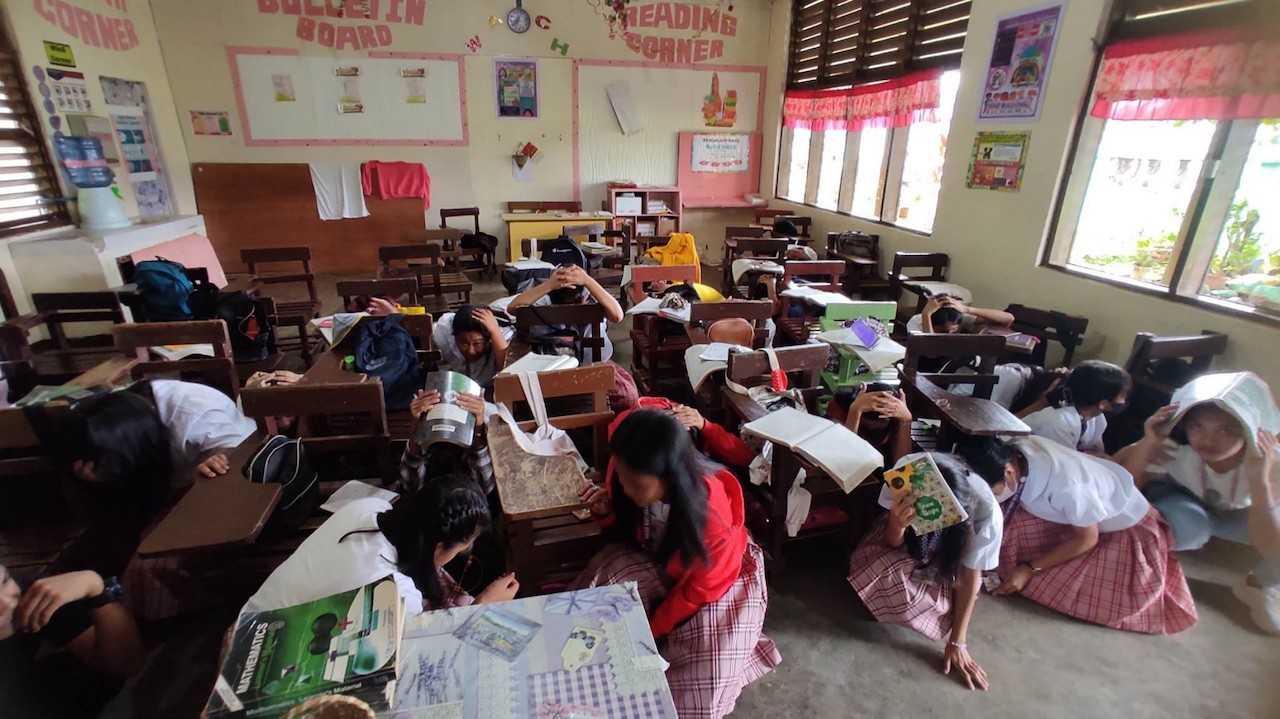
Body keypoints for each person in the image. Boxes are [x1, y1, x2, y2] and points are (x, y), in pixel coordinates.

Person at [573, 409, 779, 719]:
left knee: (708, 673)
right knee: (601, 582)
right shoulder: (626, 467)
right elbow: (629, 525)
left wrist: (650, 633)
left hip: (722, 582)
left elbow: (694, 593)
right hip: (661, 558)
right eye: (624, 482)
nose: (626, 490)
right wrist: (607, 510)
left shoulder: (712, 518)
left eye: (636, 486)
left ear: (669, 478)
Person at [958, 435, 1197, 634]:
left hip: (1124, 531)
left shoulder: (1069, 488)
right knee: (1001, 531)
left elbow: (1087, 539)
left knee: (1052, 586)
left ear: (1010, 473)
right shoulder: (1012, 453)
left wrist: (1029, 569)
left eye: (990, 490)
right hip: (1074, 512)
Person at [1114, 371, 1279, 634]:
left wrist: (1260, 480)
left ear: (1249, 428)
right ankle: (1152, 569)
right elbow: (1120, 492)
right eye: (1196, 426)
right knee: (1190, 526)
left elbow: (1271, 544)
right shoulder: (1175, 450)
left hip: (1244, 514)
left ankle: (1258, 586)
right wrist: (1149, 443)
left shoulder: (1269, 460)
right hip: (1187, 505)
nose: (1208, 439)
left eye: (1226, 429)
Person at [247, 475, 519, 614]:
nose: (466, 552)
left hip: (254, 612)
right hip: (260, 653)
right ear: (437, 548)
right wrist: (482, 605)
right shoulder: (393, 591)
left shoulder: (369, 508)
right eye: (463, 547)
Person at [847, 453, 1000, 691]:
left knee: (933, 607)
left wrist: (958, 641)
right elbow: (892, 542)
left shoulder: (986, 515)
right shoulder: (906, 474)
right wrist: (898, 524)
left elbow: (970, 577)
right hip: (909, 539)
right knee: (882, 573)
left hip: (945, 558)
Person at [0, 564, 144, 679]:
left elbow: (128, 664)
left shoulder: (34, 594)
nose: (7, 603)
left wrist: (95, 587)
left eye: (5, 581)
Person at [508, 263, 624, 363]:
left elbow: (512, 308)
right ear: (585, 296)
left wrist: (548, 285)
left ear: (551, 294)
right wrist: (588, 280)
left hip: (547, 368)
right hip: (592, 367)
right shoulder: (594, 305)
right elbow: (618, 316)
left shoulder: (540, 305)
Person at [1019, 360, 1131, 454]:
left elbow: (1099, 452)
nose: (1124, 401)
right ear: (1103, 404)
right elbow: (1066, 462)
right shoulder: (1059, 422)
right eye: (1123, 396)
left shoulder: (1097, 418)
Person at [399, 387, 494, 495]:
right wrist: (416, 430)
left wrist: (478, 429)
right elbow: (410, 486)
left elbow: (485, 487)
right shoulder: (429, 445)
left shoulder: (471, 443)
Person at [423, 303, 511, 388]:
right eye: (464, 344)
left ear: (489, 340)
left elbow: (507, 370)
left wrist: (495, 331)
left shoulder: (500, 338)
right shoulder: (443, 334)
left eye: (477, 344)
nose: (470, 351)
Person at [827, 383, 913, 466]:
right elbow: (842, 463)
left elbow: (902, 466)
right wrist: (855, 411)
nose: (875, 428)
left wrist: (906, 419)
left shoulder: (895, 418)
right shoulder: (841, 407)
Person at [907, 295, 1014, 335]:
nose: (948, 334)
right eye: (943, 331)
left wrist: (967, 309)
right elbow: (929, 350)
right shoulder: (916, 322)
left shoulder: (960, 319)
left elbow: (1008, 318)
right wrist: (926, 315)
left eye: (951, 331)